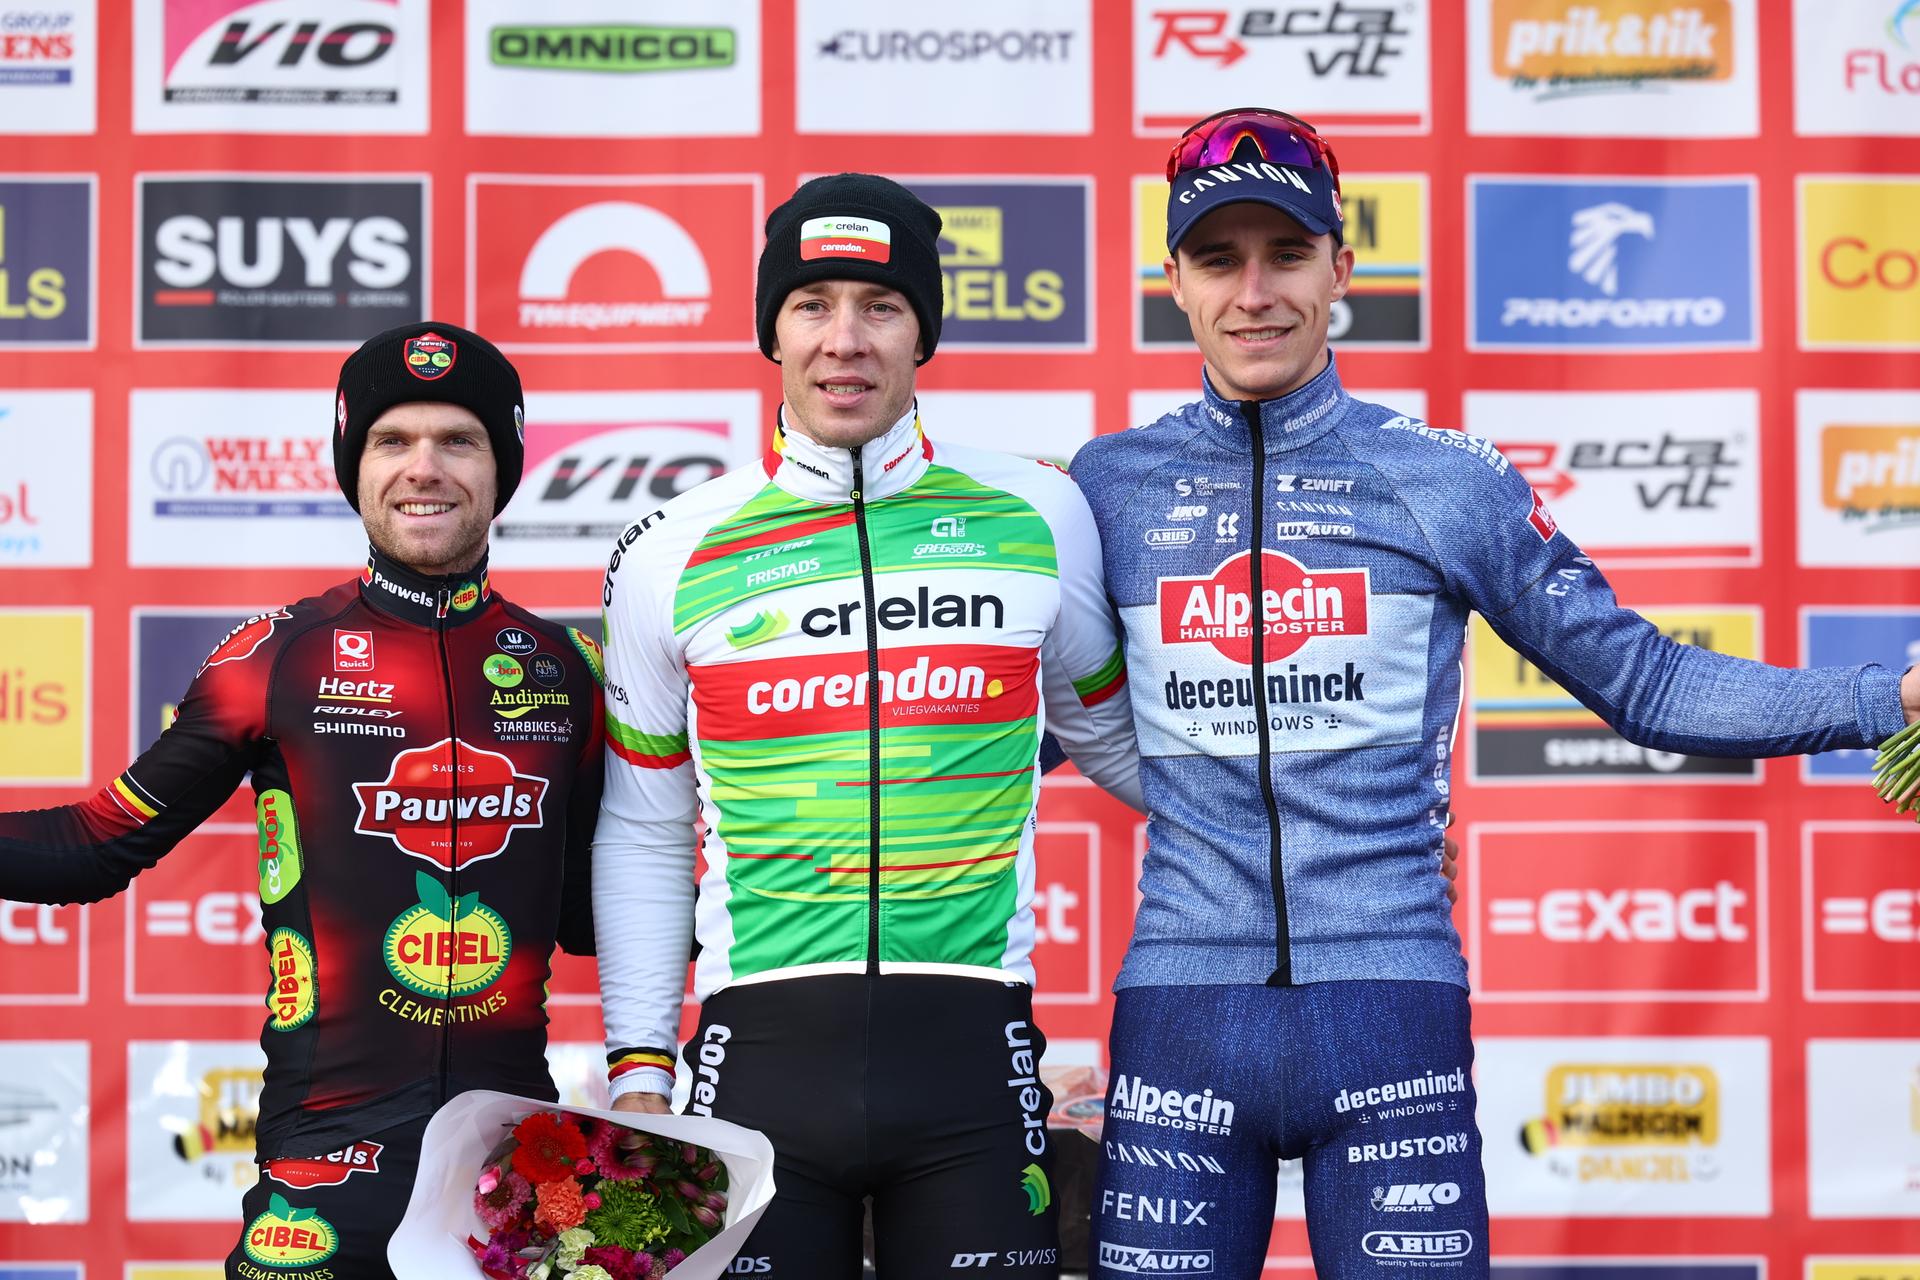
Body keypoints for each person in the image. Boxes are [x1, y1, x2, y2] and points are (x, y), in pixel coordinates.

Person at [1068, 107, 1920, 1280]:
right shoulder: (1107, 487)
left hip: (1390, 1007)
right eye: (1219, 258)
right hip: (1181, 1010)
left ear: (1342, 268)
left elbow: (1647, 679)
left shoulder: (1443, 480)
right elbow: (1012, 716)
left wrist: (1893, 696)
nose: (1254, 292)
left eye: (1287, 254)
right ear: (1175, 281)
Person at [591, 173, 1145, 1279]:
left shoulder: (1039, 512)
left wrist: (1324, 835)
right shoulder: (669, 549)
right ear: (772, 330)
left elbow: (1125, 746)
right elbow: (646, 825)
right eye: (812, 305)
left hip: (972, 1055)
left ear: (922, 332)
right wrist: (640, 1070)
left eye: (880, 307)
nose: (844, 340)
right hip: (757, 1061)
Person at [0, 322, 606, 1280]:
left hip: (513, 1174)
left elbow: (595, 915)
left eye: (459, 440)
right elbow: (95, 846)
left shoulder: (569, 669)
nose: (424, 468)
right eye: (392, 440)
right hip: (322, 1167)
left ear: (504, 467)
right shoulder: (276, 654)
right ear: (353, 466)